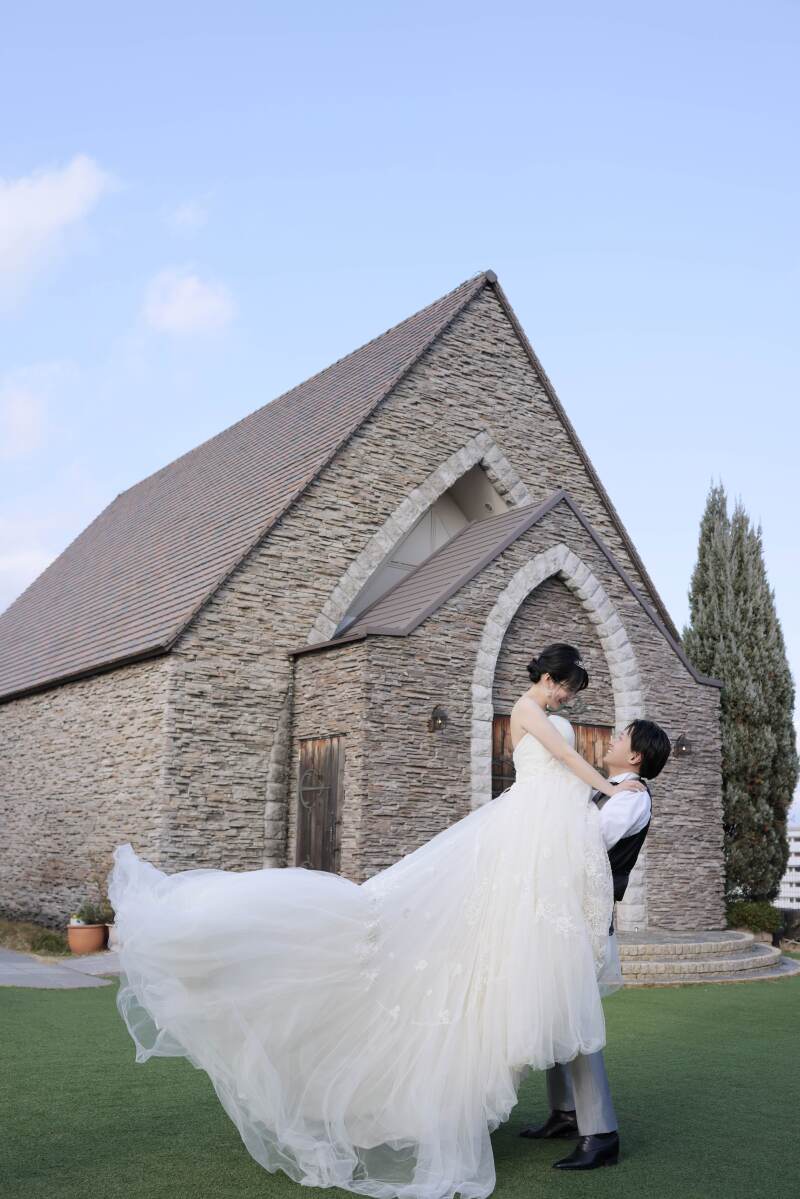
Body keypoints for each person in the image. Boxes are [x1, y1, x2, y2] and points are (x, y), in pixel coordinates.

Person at [108, 644, 646, 1199]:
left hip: (540, 835)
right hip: (530, 828)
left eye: (569, 694)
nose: (568, 699)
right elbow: (563, 758)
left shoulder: (546, 723)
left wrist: (605, 797)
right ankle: (574, 1117)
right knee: (473, 942)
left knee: (538, 973)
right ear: (551, 678)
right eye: (567, 688)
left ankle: (570, 1114)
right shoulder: (529, 710)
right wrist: (610, 787)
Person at [519, 718, 671, 1170]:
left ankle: (601, 1133)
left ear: (637, 756)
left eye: (621, 737)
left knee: (578, 1014)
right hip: (565, 912)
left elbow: (588, 845)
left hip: (584, 919)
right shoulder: (610, 789)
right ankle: (565, 1112)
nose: (612, 740)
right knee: (556, 1009)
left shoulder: (630, 797)